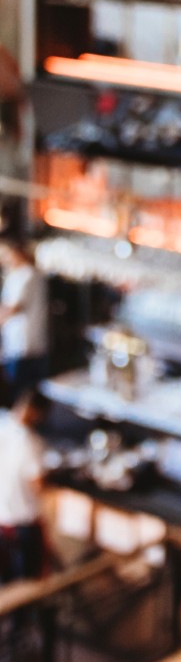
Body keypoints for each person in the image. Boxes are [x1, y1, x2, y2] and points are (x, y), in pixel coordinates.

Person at [0, 393, 48, 581]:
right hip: (22, 523)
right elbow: (37, 485)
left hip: (2, 520)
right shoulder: (29, 442)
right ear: (36, 413)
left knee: (5, 580)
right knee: (30, 579)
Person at [0, 239, 48, 402]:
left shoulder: (28, 274)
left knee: (22, 393)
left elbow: (14, 308)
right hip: (21, 344)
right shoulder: (19, 275)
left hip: (25, 344)